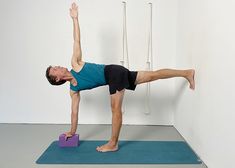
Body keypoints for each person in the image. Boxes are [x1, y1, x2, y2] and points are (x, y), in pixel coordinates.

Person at [46, 2, 195, 152]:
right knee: (153, 75)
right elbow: (74, 112)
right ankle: (187, 73)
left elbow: (77, 41)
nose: (58, 67)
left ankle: (113, 143)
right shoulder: (74, 90)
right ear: (57, 79)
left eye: (56, 66)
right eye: (55, 70)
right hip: (116, 74)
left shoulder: (75, 63)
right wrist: (71, 131)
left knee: (115, 108)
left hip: (113, 73)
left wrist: (75, 19)